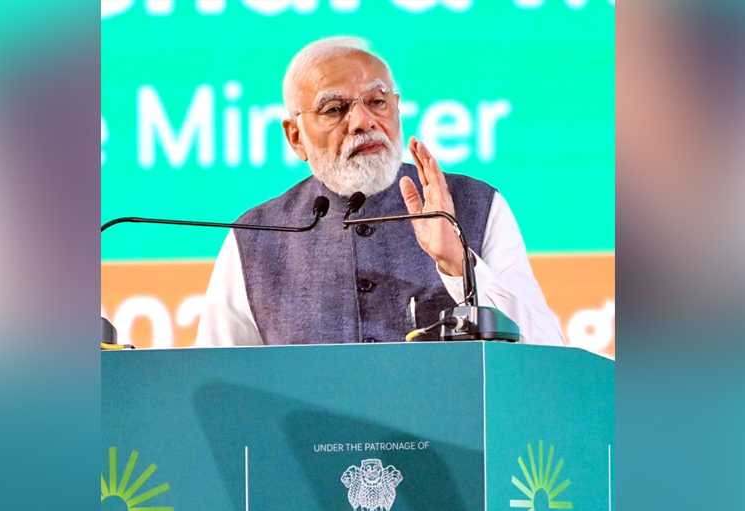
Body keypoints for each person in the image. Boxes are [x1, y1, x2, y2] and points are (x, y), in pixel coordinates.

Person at [195, 36, 565, 347]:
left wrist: (459, 265)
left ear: (396, 109)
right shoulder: (255, 237)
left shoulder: (477, 206)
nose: (362, 121)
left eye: (376, 101)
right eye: (334, 109)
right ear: (295, 137)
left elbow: (548, 350)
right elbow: (216, 383)